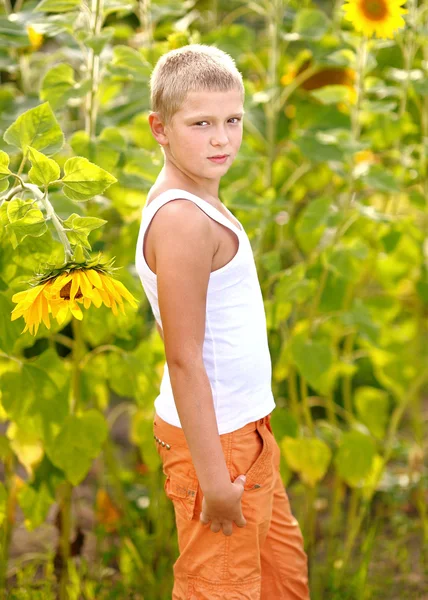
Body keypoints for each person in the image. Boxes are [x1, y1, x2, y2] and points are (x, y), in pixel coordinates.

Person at [135, 43, 310, 600]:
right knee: (221, 587)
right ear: (160, 128)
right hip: (220, 449)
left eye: (232, 120)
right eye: (201, 123)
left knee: (283, 579)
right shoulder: (182, 221)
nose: (221, 138)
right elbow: (182, 357)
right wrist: (214, 481)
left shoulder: (199, 200)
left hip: (247, 434)